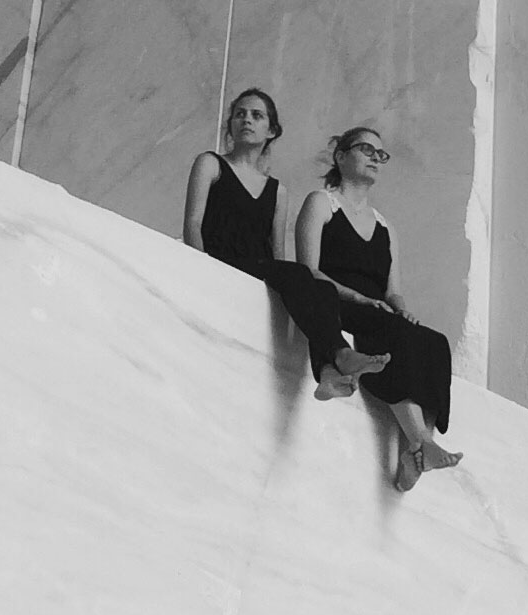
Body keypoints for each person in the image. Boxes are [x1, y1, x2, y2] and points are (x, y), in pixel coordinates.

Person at [184, 90, 392, 403]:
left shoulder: (277, 190)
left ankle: (330, 371)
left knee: (315, 285)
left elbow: (276, 253)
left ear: (271, 131)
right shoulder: (210, 164)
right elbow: (193, 224)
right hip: (219, 260)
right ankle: (341, 355)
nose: (246, 120)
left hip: (256, 269)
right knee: (301, 275)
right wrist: (200, 267)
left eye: (256, 115)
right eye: (240, 114)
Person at [295, 126, 460, 490]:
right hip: (335, 300)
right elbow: (308, 270)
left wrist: (402, 309)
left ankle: (414, 452)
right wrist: (358, 298)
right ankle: (421, 442)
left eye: (380, 154)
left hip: (377, 310)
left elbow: (393, 291)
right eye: (366, 149)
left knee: (433, 341)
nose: (374, 158)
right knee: (397, 335)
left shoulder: (385, 226)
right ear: (341, 156)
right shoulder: (321, 203)